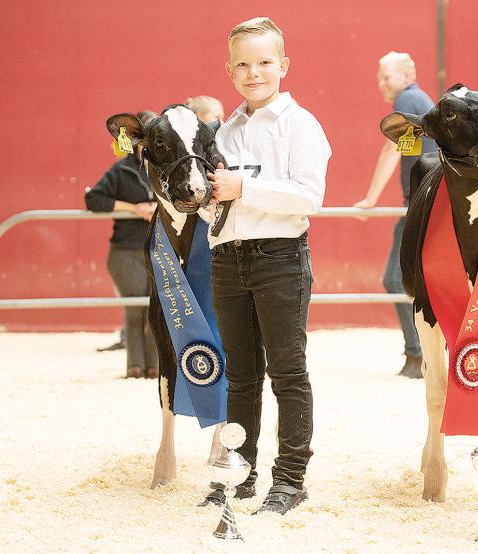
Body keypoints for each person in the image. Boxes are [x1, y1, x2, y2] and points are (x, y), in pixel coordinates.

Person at [202, 17, 331, 515]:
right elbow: (216, 199)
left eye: (263, 62)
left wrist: (243, 189)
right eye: (242, 64)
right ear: (229, 70)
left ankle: (291, 478)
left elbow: (309, 197)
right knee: (239, 374)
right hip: (227, 257)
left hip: (279, 258)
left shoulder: (301, 125)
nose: (253, 72)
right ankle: (239, 470)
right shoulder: (225, 130)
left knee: (287, 371)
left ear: (283, 66)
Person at [352, 51, 437, 378]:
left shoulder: (409, 99)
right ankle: (422, 354)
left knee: (394, 278)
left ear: (405, 75)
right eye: (379, 77)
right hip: (420, 202)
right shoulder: (418, 102)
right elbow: (408, 150)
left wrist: (371, 198)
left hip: (419, 204)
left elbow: (392, 149)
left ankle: (418, 354)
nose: (381, 83)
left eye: (385, 76)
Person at [85, 110, 160, 379]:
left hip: (161, 249)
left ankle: (156, 367)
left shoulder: (167, 168)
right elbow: (94, 200)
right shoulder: (122, 169)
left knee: (157, 307)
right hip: (126, 250)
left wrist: (158, 207)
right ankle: (135, 367)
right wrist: (135, 209)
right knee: (135, 306)